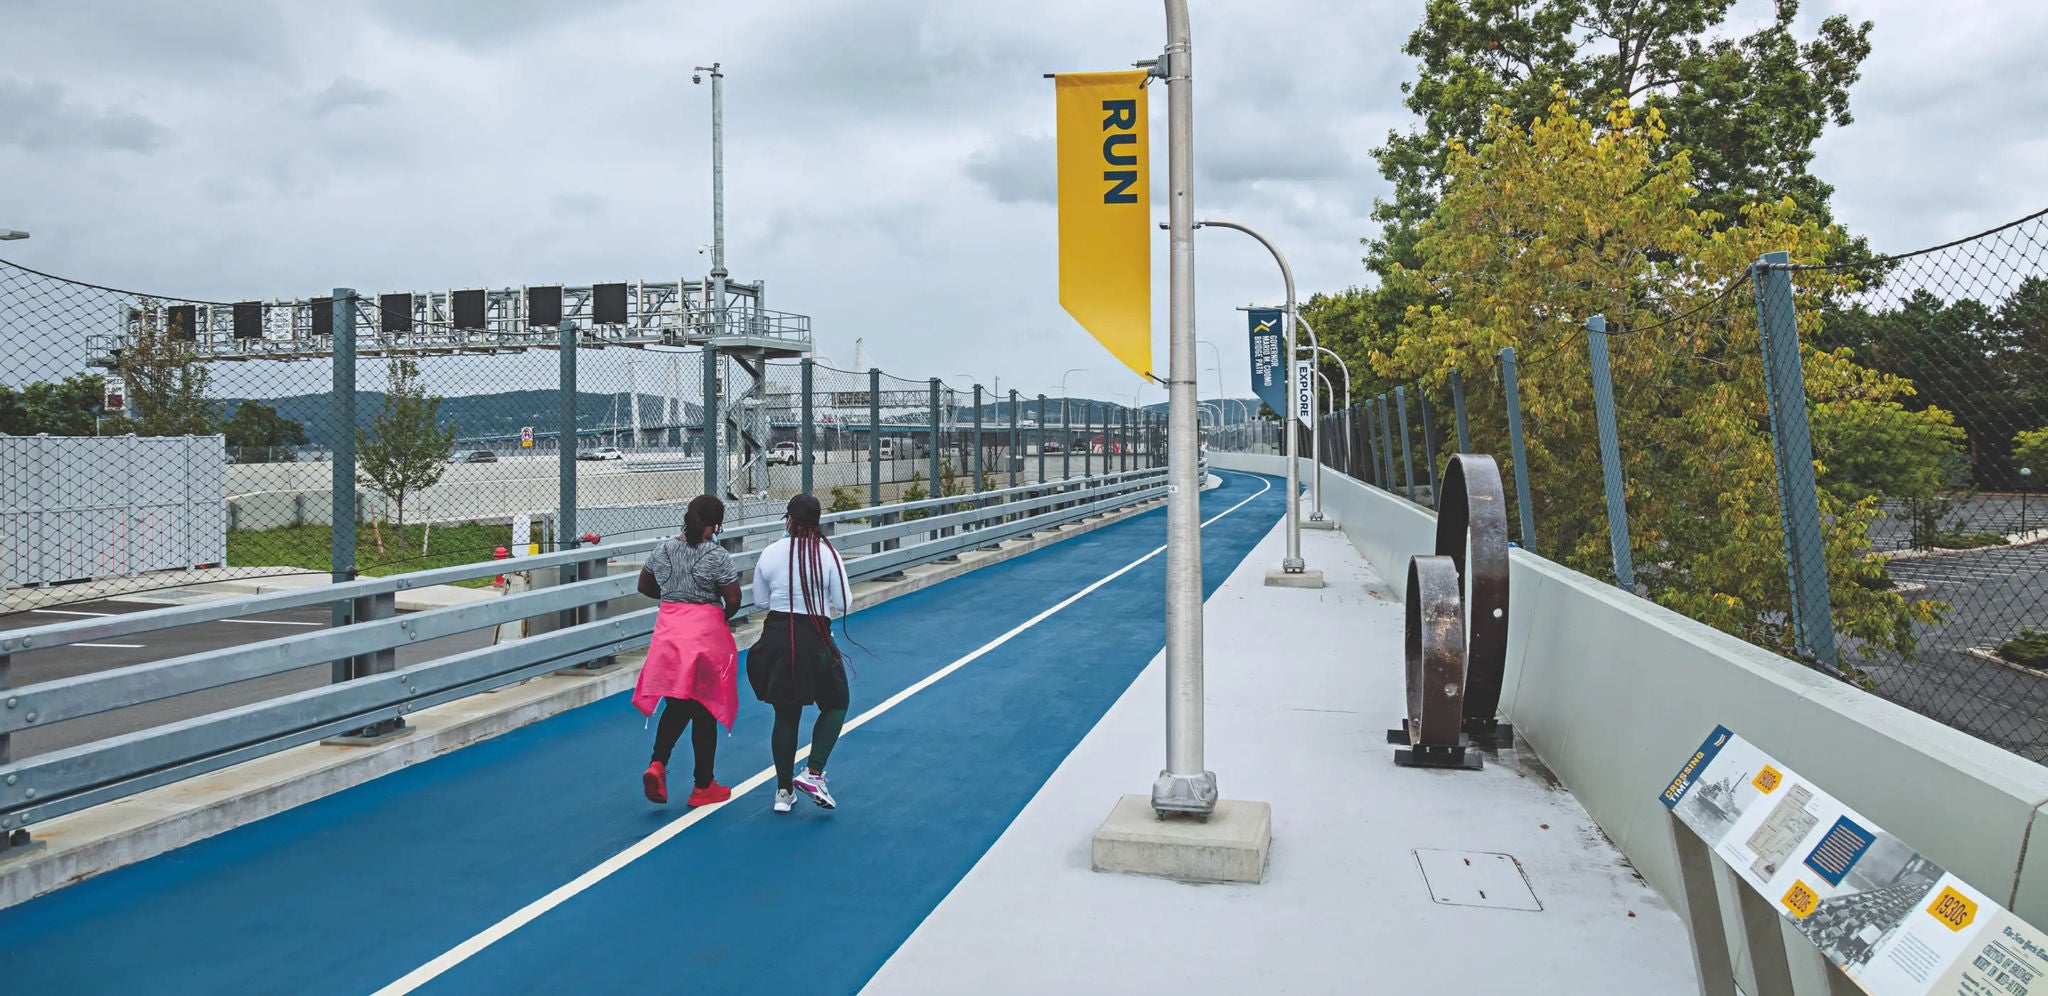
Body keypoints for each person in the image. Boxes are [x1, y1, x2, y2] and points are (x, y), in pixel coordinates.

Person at [746, 493, 856, 813]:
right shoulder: (827, 554)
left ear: (789, 520)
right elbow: (845, 603)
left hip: (778, 639)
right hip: (815, 639)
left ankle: (783, 791)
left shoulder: (770, 552)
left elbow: (760, 602)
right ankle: (814, 771)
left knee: (786, 713)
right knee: (836, 703)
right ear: (818, 521)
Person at [633, 494, 743, 807]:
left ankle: (657, 763)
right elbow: (733, 599)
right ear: (716, 524)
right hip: (703, 639)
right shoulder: (717, 555)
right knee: (705, 709)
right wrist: (717, 615)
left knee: (678, 705)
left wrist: (670, 597)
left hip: (669, 637)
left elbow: (644, 585)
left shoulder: (664, 548)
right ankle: (703, 785)